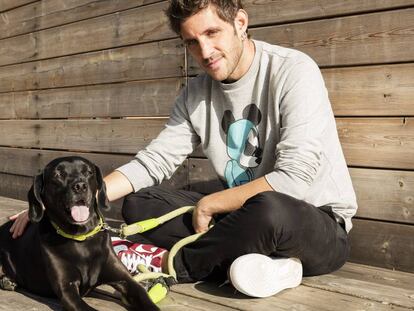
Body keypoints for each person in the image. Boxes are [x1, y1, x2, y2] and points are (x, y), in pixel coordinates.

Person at [10, 0, 357, 298]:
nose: (204, 52)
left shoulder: (293, 70)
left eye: (211, 34)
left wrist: (211, 204)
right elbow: (154, 162)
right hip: (238, 215)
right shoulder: (195, 94)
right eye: (191, 42)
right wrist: (60, 202)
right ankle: (264, 266)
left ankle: (171, 264)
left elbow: (295, 178)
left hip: (313, 221)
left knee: (269, 209)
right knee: (140, 203)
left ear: (240, 22)